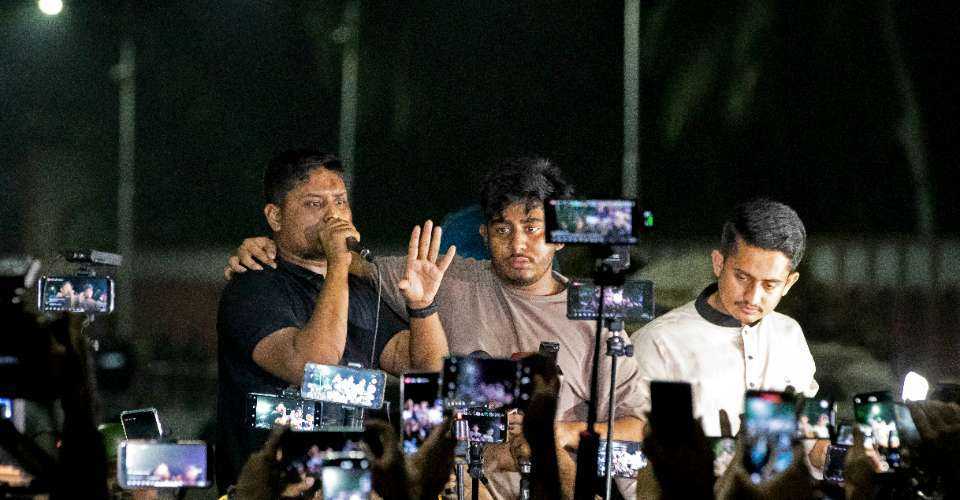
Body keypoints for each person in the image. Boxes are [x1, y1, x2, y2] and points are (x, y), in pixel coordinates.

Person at [227, 157, 646, 499]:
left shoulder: (595, 311)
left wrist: (558, 432)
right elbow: (330, 259)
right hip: (454, 489)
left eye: (534, 228)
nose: (519, 244)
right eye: (504, 229)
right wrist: (264, 244)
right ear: (484, 234)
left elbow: (638, 427)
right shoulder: (445, 277)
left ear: (559, 237)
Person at [216, 149, 454, 492]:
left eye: (340, 202)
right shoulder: (254, 287)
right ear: (275, 216)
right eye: (315, 204)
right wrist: (340, 262)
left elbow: (427, 370)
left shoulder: (357, 290)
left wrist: (422, 305)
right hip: (274, 489)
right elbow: (313, 363)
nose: (333, 217)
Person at [630, 198, 818, 436]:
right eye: (742, 277)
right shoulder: (658, 342)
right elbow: (634, 439)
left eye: (770, 285)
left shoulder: (789, 335)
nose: (752, 297)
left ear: (789, 283)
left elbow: (808, 433)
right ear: (718, 263)